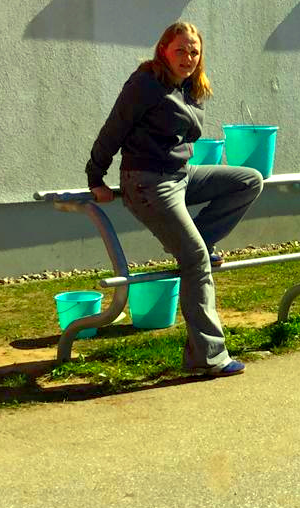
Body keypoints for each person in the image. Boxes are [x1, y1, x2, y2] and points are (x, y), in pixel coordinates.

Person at [86, 22, 264, 377]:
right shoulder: (145, 83)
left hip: (181, 175)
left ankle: (196, 240)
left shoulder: (190, 88)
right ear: (163, 50)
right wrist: (96, 177)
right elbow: (114, 128)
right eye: (180, 49)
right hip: (147, 183)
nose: (188, 57)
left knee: (248, 181)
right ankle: (208, 356)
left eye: (194, 51)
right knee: (196, 259)